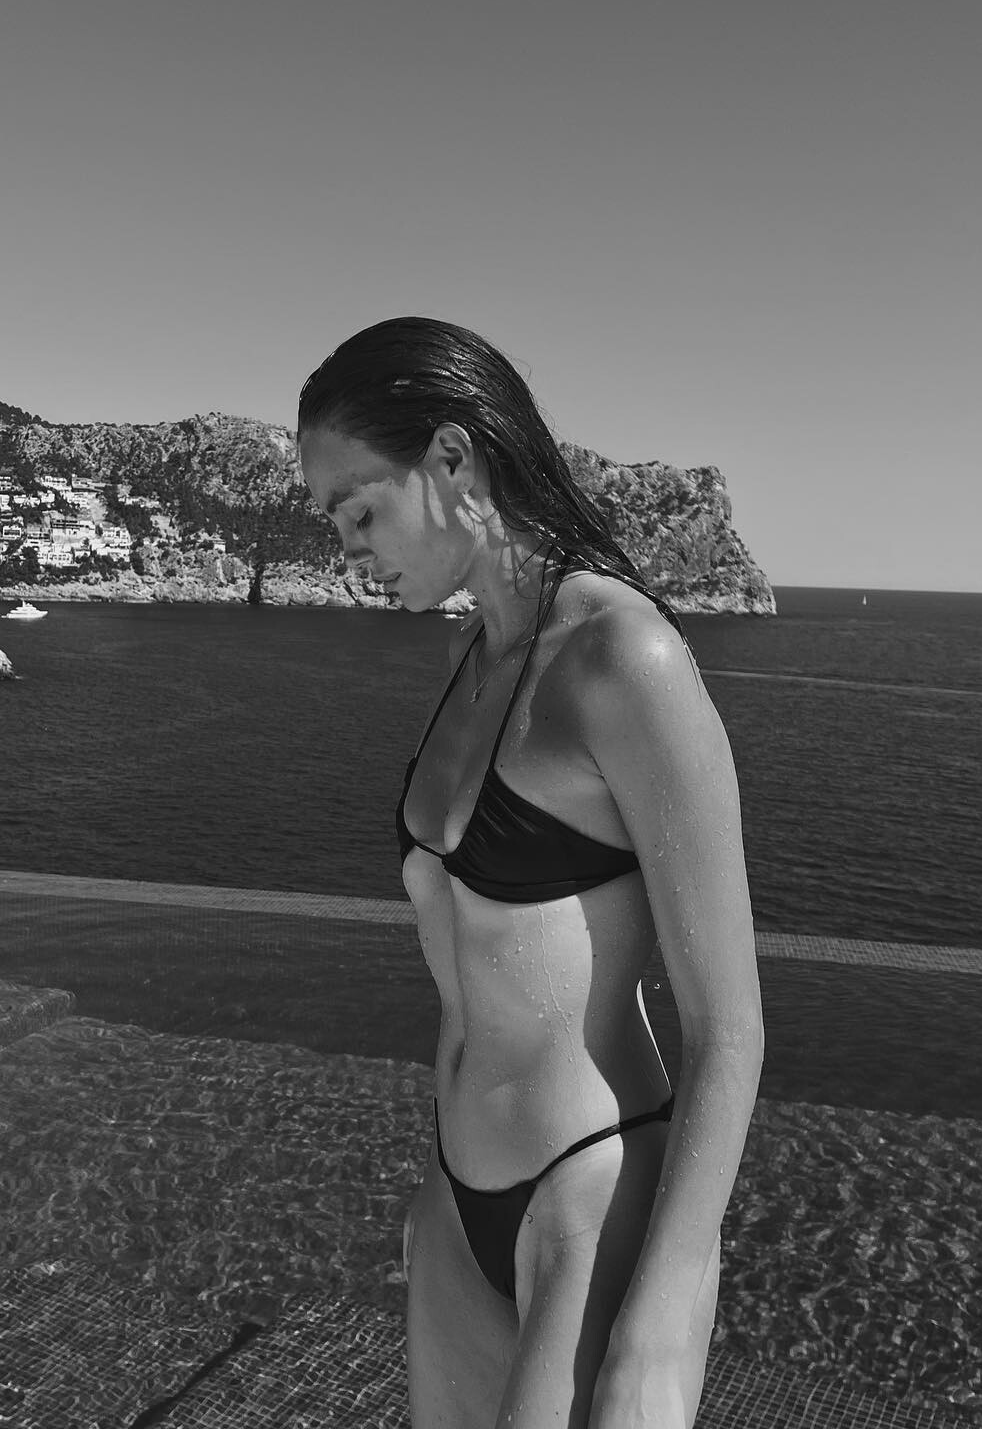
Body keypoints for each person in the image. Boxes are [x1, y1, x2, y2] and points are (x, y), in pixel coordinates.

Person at [297, 318, 764, 1429]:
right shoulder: (482, 660)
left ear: (453, 459)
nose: (349, 550)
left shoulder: (622, 659)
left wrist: (663, 1313)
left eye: (360, 511)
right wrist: (436, 1208)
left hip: (589, 1193)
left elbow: (729, 1029)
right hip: (457, 1200)